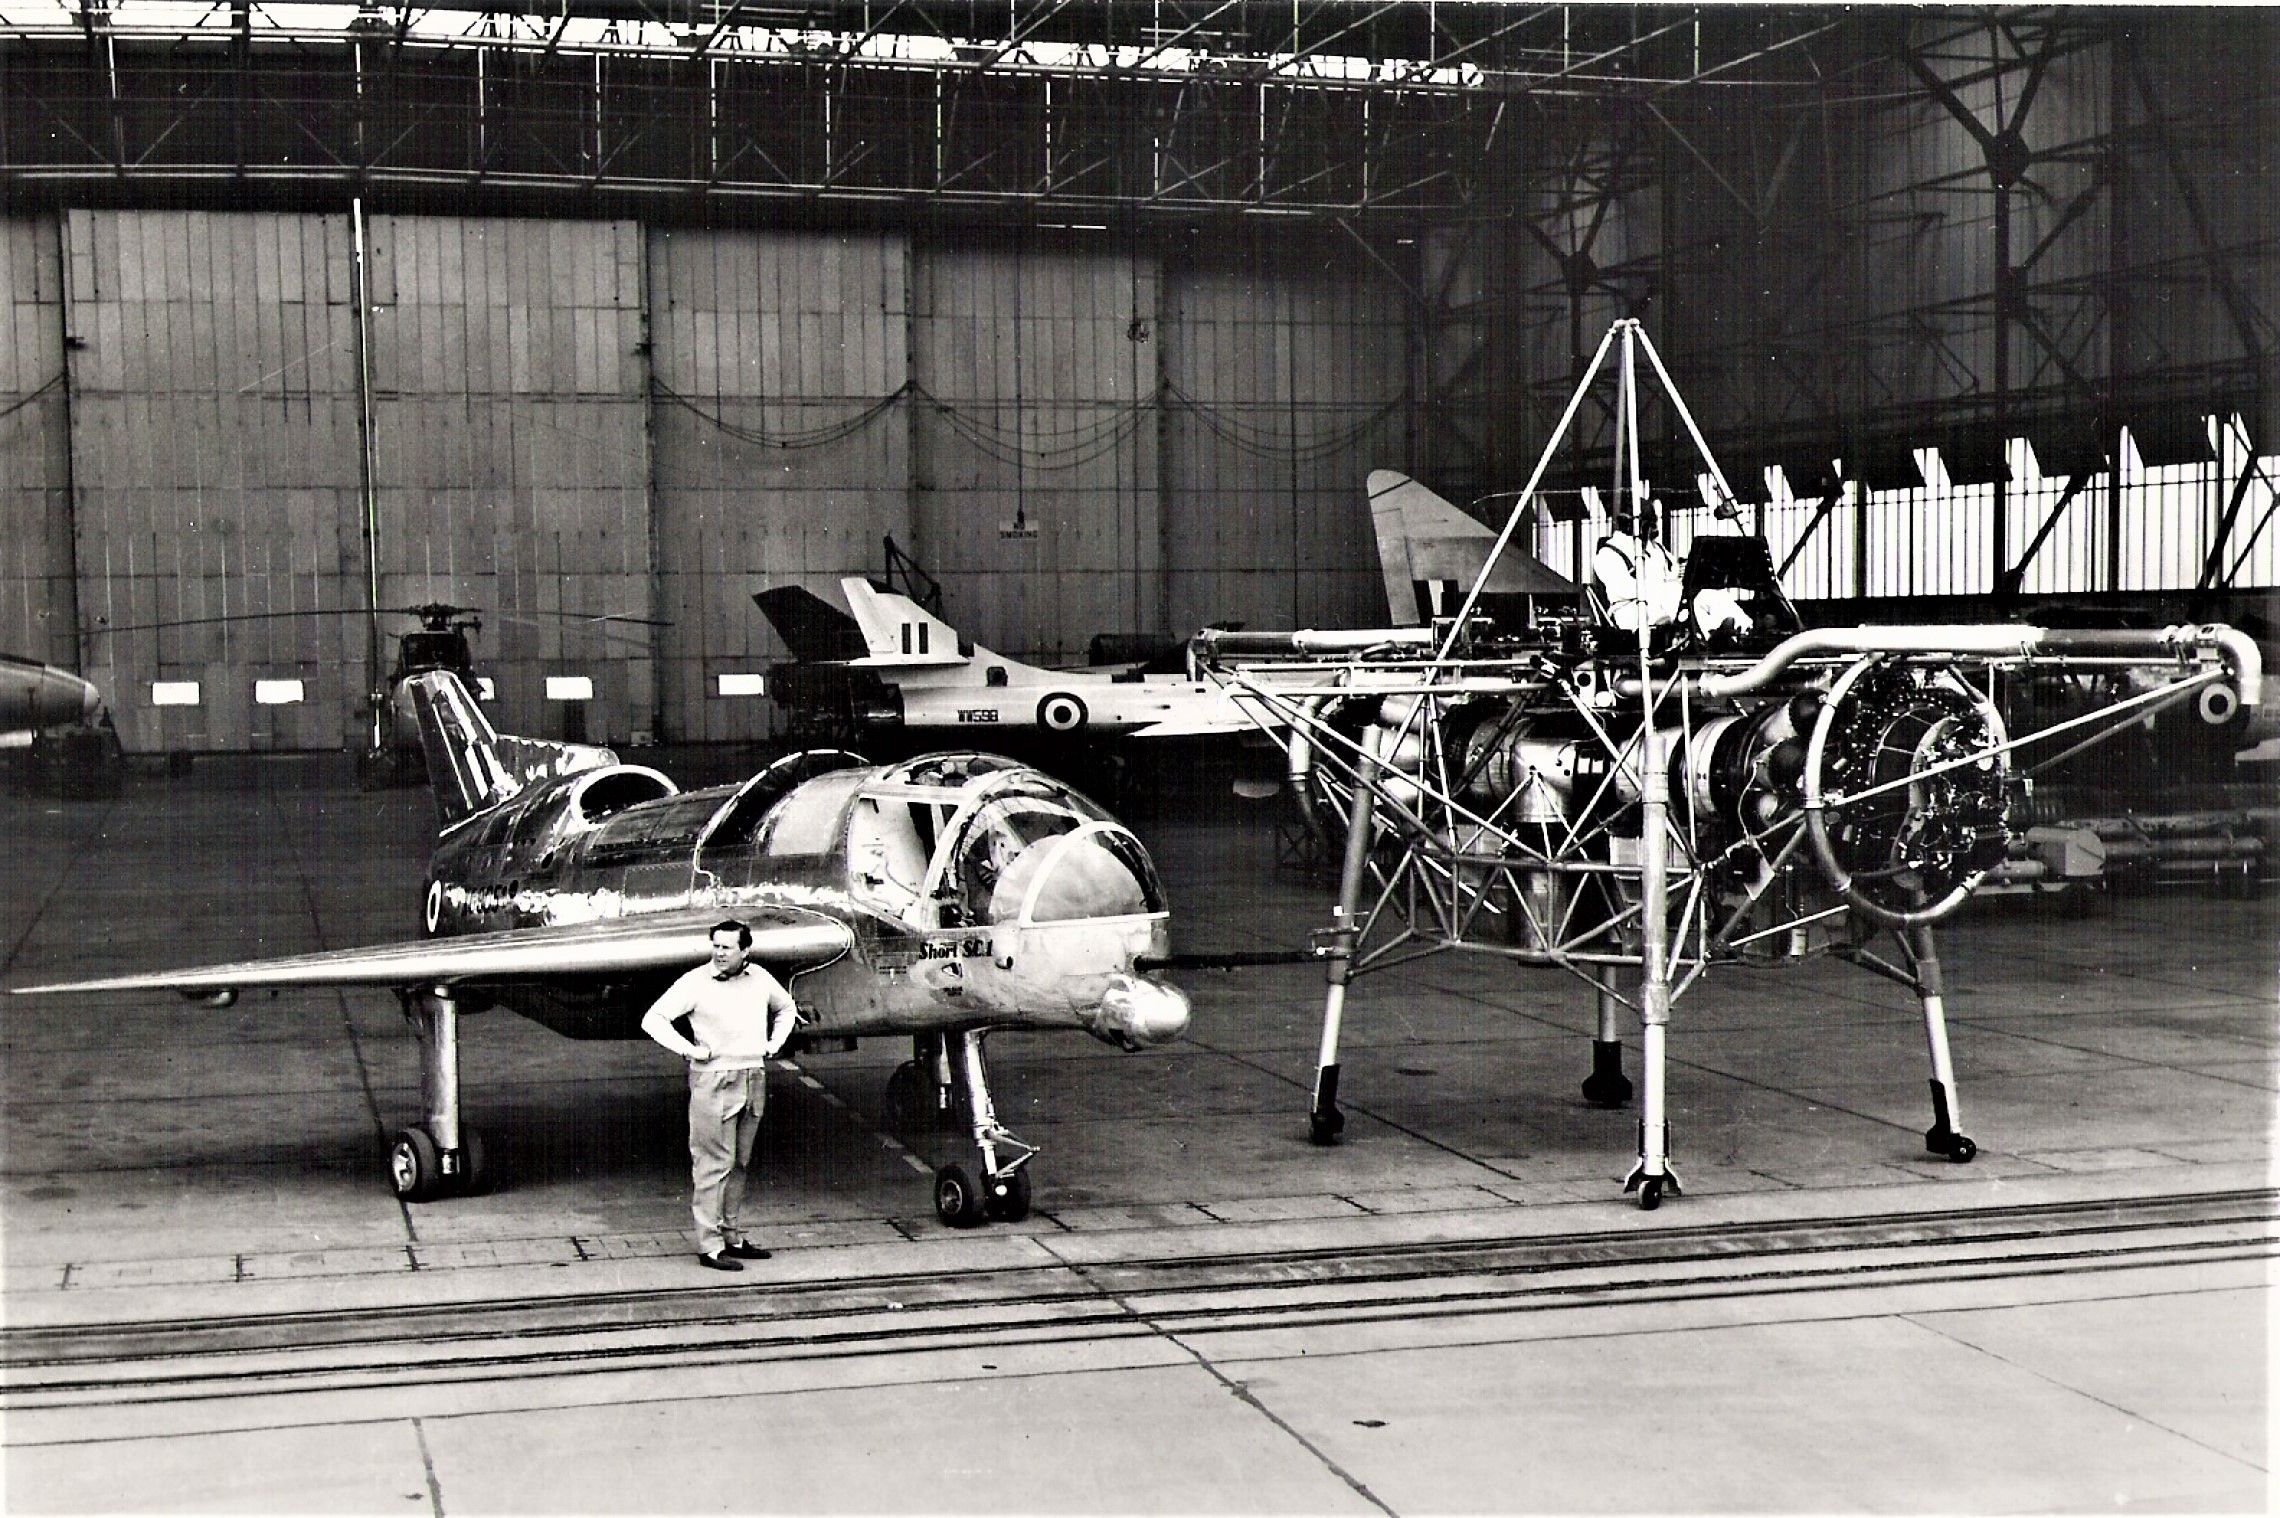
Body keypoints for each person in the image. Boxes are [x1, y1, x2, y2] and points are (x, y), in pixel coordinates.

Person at [640, 919, 801, 1272]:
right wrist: (689, 1050)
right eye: (715, 945)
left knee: (740, 1162)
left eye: (727, 947)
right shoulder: (695, 981)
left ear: (745, 950)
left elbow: (787, 1008)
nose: (719, 953)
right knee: (713, 1164)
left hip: (752, 1076)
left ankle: (732, 1236)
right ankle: (710, 1246)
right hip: (713, 1080)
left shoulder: (760, 978)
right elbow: (653, 1019)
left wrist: (774, 1043)